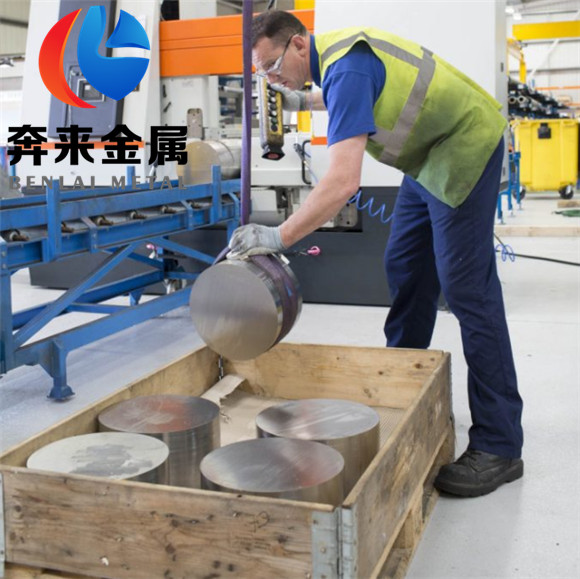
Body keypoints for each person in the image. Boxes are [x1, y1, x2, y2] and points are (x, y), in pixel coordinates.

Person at [228, 10, 524, 497]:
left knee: (467, 289)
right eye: (262, 73)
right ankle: (402, 387)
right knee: (405, 267)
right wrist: (302, 99)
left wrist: (279, 236)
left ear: (299, 44)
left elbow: (343, 183)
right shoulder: (333, 64)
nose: (271, 79)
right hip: (427, 158)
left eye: (272, 66)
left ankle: (500, 443)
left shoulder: (347, 68)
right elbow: (341, 93)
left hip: (464, 145)